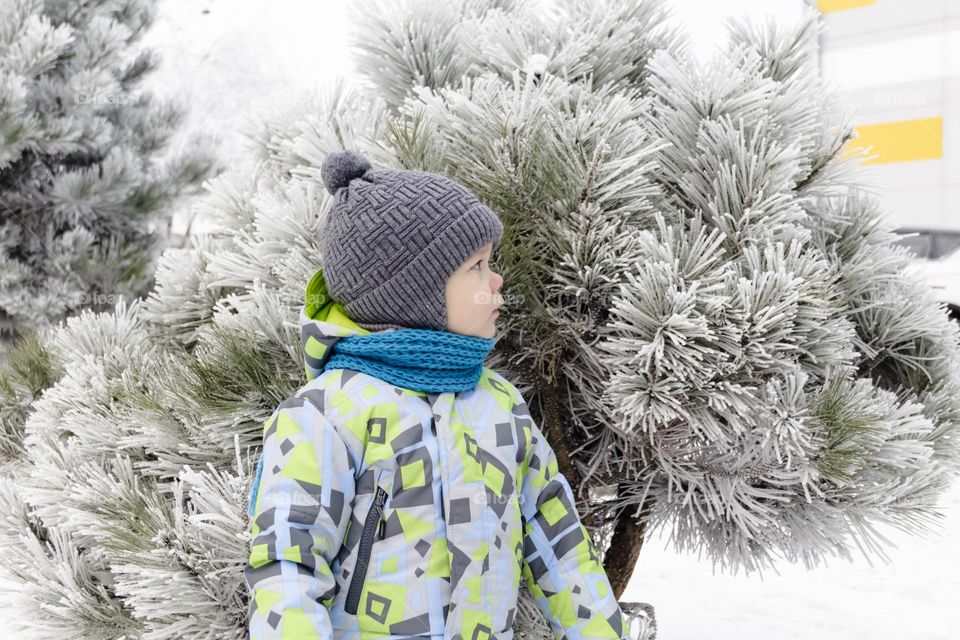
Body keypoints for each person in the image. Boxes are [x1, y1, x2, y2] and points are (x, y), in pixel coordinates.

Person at [243, 150, 630, 639]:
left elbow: (558, 539)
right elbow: (287, 567)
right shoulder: (325, 416)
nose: (497, 280)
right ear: (412, 294)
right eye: (477, 265)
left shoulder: (499, 406)